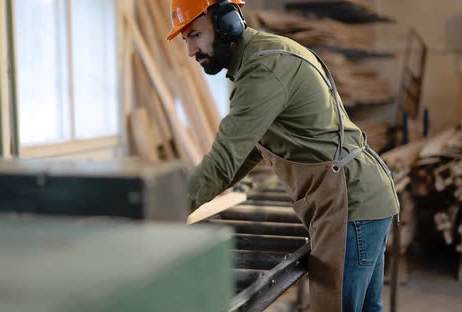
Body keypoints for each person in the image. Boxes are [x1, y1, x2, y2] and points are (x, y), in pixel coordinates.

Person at [165, 1, 399, 311]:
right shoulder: (260, 58)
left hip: (349, 203)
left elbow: (222, 161)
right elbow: (241, 155)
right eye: (185, 40)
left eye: (194, 34)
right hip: (362, 198)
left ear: (226, 23)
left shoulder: (262, 70)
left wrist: (164, 217)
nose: (191, 50)